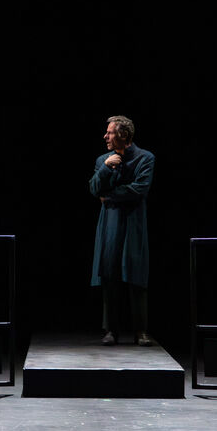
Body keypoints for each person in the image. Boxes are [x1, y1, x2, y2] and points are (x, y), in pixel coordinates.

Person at [89, 115, 154, 346]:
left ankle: (141, 331)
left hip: (134, 223)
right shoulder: (103, 160)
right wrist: (106, 168)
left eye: (110, 132)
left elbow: (139, 189)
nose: (105, 136)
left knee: (136, 275)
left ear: (123, 135)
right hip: (110, 224)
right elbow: (94, 188)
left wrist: (109, 196)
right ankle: (111, 330)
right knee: (109, 274)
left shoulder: (145, 158)